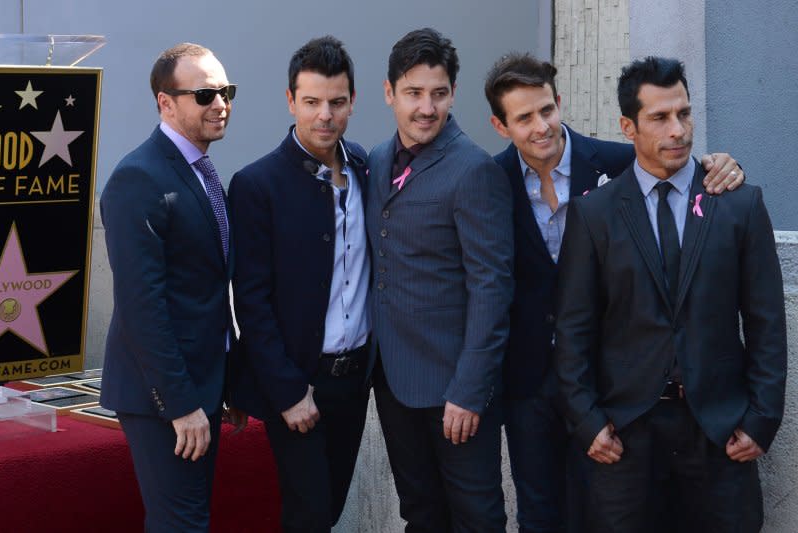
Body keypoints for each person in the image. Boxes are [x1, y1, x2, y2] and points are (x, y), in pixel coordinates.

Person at [484, 53, 745, 533]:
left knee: (602, 512)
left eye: (546, 110)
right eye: (523, 118)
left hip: (607, 384)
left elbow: (674, 166)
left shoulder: (615, 160)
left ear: (559, 102)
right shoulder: (488, 181)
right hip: (528, 380)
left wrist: (725, 164)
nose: (541, 126)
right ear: (501, 126)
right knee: (539, 514)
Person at [555, 56, 786, 532]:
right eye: (660, 118)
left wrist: (762, 418)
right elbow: (574, 329)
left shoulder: (739, 204)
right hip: (626, 435)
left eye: (683, 113)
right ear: (628, 126)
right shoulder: (595, 215)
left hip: (720, 431)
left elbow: (766, 322)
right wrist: (587, 421)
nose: (677, 129)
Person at [366, 28, 514, 532]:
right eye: (413, 93)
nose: (426, 107)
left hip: (457, 389)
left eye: (438, 93)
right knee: (421, 513)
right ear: (390, 94)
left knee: (476, 517)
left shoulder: (474, 170)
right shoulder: (376, 160)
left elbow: (492, 288)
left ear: (452, 93)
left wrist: (470, 391)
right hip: (392, 381)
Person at [228, 36, 370, 533]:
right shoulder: (255, 185)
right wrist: (289, 392)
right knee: (308, 516)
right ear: (291, 101)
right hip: (298, 381)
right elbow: (251, 301)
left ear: (353, 101)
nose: (325, 115)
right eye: (311, 102)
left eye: (336, 102)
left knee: (326, 510)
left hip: (355, 381)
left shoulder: (369, 170)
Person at [100, 42, 242, 532]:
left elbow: (206, 290)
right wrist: (181, 403)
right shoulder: (138, 177)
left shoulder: (199, 170)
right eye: (204, 94)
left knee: (187, 518)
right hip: (164, 395)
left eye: (225, 91)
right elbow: (143, 306)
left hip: (202, 383)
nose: (219, 103)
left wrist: (227, 383)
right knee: (180, 523)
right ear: (166, 102)